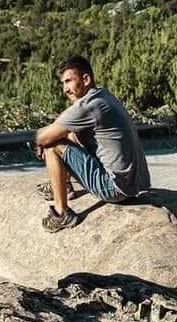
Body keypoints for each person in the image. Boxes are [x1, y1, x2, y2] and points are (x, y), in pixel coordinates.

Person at [34, 55, 151, 232]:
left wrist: (40, 141)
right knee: (69, 133)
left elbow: (43, 138)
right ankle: (62, 185)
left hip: (114, 188)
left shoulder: (88, 107)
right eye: (63, 83)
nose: (65, 89)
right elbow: (65, 123)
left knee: (52, 145)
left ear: (86, 79)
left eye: (69, 81)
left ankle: (61, 213)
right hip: (131, 184)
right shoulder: (102, 96)